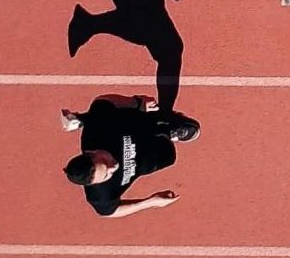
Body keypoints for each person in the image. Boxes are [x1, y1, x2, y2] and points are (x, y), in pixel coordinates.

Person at [61, 92, 199, 218]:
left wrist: (137, 102)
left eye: (105, 161)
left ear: (92, 152)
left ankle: (167, 127)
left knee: (149, 118)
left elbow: (103, 101)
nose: (113, 167)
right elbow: (111, 211)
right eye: (106, 175)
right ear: (94, 183)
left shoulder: (98, 128)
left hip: (132, 127)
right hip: (143, 162)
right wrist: (150, 202)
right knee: (169, 156)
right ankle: (167, 137)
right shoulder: (99, 196)